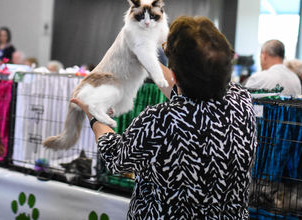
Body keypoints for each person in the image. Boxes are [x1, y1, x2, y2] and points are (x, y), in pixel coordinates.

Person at [72, 16, 257, 219]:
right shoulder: (242, 100)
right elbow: (192, 88)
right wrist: (144, 55)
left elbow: (116, 158)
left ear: (176, 75)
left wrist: (94, 114)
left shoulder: (160, 120)